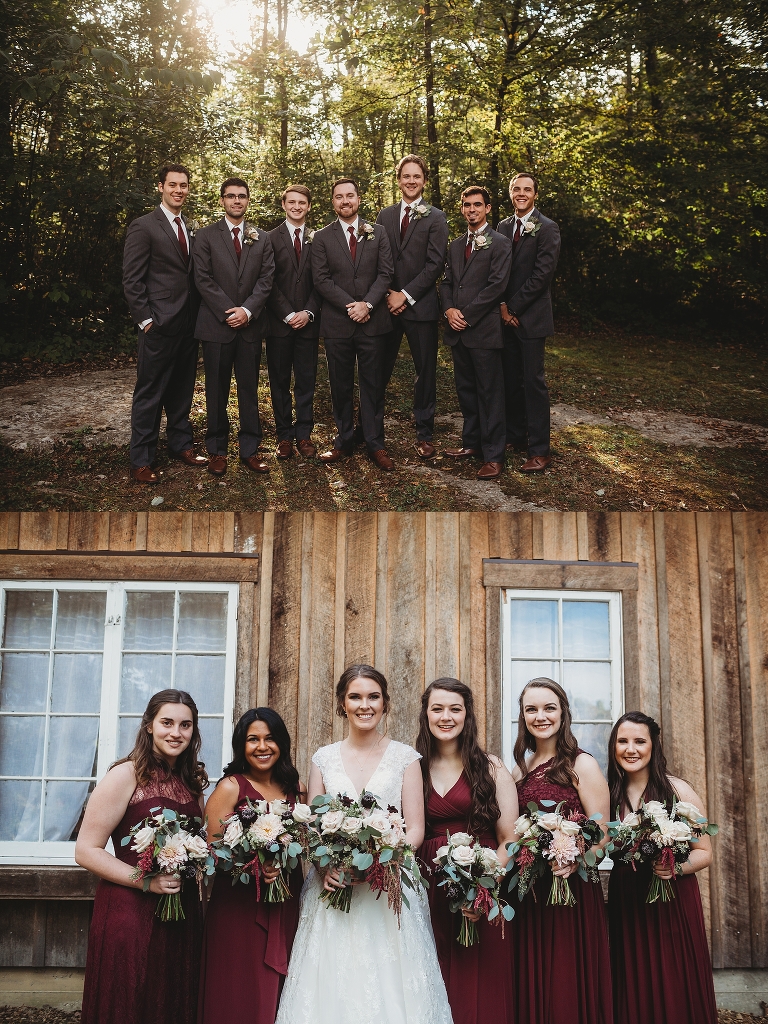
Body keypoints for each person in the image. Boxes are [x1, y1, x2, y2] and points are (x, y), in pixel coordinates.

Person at [275, 664, 453, 1024]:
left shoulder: (406, 758)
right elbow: (312, 826)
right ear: (343, 703)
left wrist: (378, 861)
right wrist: (326, 866)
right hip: (333, 888)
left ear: (385, 703)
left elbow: (415, 829)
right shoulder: (323, 758)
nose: (364, 705)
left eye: (373, 697)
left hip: (387, 886)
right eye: (355, 697)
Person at [75, 690, 207, 1024]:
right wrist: (146, 881)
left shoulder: (191, 783)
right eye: (167, 722)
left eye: (185, 725)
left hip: (180, 912)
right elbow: (86, 851)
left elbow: (200, 843)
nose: (176, 732)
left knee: (171, 1001)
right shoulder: (125, 774)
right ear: (149, 725)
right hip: (129, 911)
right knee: (130, 1002)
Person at [416, 678, 518, 1024]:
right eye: (437, 708)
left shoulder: (491, 768)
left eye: (455, 709)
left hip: (483, 885)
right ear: (426, 715)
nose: (446, 716)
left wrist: (482, 889)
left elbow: (509, 840)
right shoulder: (413, 769)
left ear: (467, 716)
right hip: (428, 888)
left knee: (480, 986)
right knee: (432, 980)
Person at [510, 677, 613, 1023]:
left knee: (565, 977)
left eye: (549, 707)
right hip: (530, 891)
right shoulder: (520, 770)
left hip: (572, 889)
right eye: (531, 709)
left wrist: (575, 859)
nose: (540, 716)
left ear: (563, 713)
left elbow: (603, 835)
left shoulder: (581, 765)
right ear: (523, 717)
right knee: (533, 974)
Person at [607, 711, 717, 1024]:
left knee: (673, 974)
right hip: (628, 900)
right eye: (623, 741)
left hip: (672, 898)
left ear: (653, 746)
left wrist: (676, 869)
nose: (631, 748)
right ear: (614, 747)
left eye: (639, 741)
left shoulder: (678, 791)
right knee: (633, 974)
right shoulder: (609, 794)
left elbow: (704, 851)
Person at [197, 708, 306, 1024]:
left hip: (285, 896)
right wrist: (254, 867)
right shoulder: (230, 787)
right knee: (239, 987)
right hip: (239, 905)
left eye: (270, 739)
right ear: (241, 746)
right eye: (252, 739)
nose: (262, 747)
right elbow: (213, 853)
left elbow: (304, 836)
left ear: (281, 743)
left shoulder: (293, 786)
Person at [122, 164, 207, 483]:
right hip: (157, 324)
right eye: (173, 185)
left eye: (184, 185)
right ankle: (141, 460)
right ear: (161, 187)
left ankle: (180, 444)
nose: (179, 190)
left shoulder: (189, 225)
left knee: (182, 390)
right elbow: (132, 279)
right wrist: (145, 320)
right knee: (150, 392)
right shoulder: (144, 226)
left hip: (188, 323)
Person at [311, 179, 396, 471]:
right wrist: (352, 306)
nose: (345, 201)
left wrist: (368, 304)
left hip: (373, 321)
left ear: (359, 199)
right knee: (340, 384)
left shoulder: (379, 232)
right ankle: (343, 441)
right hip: (338, 323)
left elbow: (386, 273)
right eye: (339, 197)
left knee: (373, 384)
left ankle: (375, 443)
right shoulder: (321, 237)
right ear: (332, 202)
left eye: (350, 196)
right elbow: (321, 279)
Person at [193, 177, 275, 477]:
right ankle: (216, 450)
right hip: (217, 326)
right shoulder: (204, 236)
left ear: (248, 200)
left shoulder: (262, 238)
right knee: (216, 390)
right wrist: (229, 312)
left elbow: (267, 280)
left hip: (250, 326)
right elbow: (202, 278)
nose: (236, 201)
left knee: (249, 390)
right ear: (222, 200)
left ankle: (250, 450)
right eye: (231, 196)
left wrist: (248, 311)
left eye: (242, 196)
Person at [374, 155, 449, 459]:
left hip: (420, 307)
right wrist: (389, 293)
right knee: (377, 369)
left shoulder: (436, 217)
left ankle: (424, 432)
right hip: (386, 305)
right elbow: (378, 259)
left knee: (425, 371)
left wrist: (404, 294)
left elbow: (435, 265)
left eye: (416, 176)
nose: (411, 181)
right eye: (406, 176)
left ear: (424, 180)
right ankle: (371, 430)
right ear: (398, 179)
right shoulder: (384, 215)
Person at [440, 186, 513, 481]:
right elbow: (446, 283)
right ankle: (471, 444)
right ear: (462, 209)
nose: (472, 210)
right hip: (456, 329)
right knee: (466, 390)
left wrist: (466, 315)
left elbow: (496, 286)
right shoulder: (456, 244)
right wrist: (449, 311)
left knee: (489, 394)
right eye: (467, 205)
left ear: (488, 208)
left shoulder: (500, 243)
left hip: (482, 330)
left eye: (477, 205)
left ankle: (494, 456)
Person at [496, 172, 561, 473]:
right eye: (516, 189)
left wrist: (513, 308)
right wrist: (501, 308)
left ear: (535, 194)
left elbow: (541, 276)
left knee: (533, 382)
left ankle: (539, 450)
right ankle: (515, 436)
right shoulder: (501, 227)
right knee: (510, 380)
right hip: (503, 317)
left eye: (527, 189)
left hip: (531, 318)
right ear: (510, 193)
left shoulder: (548, 228)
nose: (521, 193)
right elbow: (497, 272)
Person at [266, 184, 322, 460]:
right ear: (284, 205)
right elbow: (268, 281)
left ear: (309, 206)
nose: (297, 206)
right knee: (279, 380)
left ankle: (304, 434)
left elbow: (322, 280)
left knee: (306, 380)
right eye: (292, 202)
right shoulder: (269, 239)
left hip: (309, 323)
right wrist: (288, 313)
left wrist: (309, 312)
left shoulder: (319, 238)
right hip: (279, 323)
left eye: (302, 202)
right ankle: (284, 436)